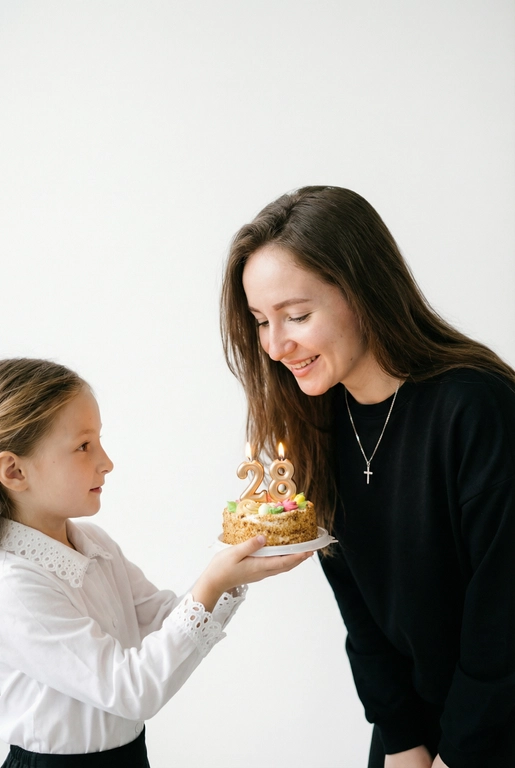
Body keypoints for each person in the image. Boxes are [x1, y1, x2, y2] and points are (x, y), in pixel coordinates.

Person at [220, 186, 515, 768]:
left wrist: (458, 756)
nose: (276, 345)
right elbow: (363, 613)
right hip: (416, 734)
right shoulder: (316, 422)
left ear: (364, 293)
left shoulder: (477, 407)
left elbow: (504, 616)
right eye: (260, 321)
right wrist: (403, 740)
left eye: (297, 316)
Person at [0, 358, 311, 767]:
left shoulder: (93, 543)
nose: (106, 461)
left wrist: (229, 574)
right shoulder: (15, 588)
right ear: (14, 470)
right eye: (83, 445)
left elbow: (163, 620)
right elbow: (131, 689)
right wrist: (214, 581)